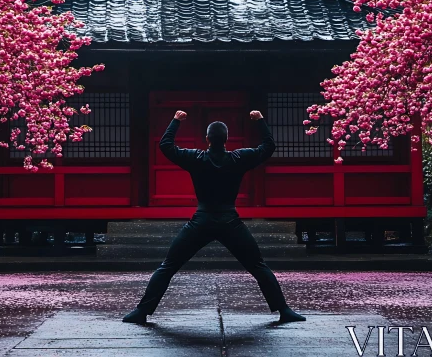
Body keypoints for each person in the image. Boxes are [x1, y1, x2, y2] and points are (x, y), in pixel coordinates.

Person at [123, 109, 306, 324]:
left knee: (169, 266)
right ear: (226, 139)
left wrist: (175, 121)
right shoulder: (238, 158)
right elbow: (268, 147)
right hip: (230, 220)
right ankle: (284, 310)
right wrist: (260, 121)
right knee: (257, 265)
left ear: (207, 139)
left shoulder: (196, 158)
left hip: (202, 219)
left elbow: (166, 146)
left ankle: (142, 312)